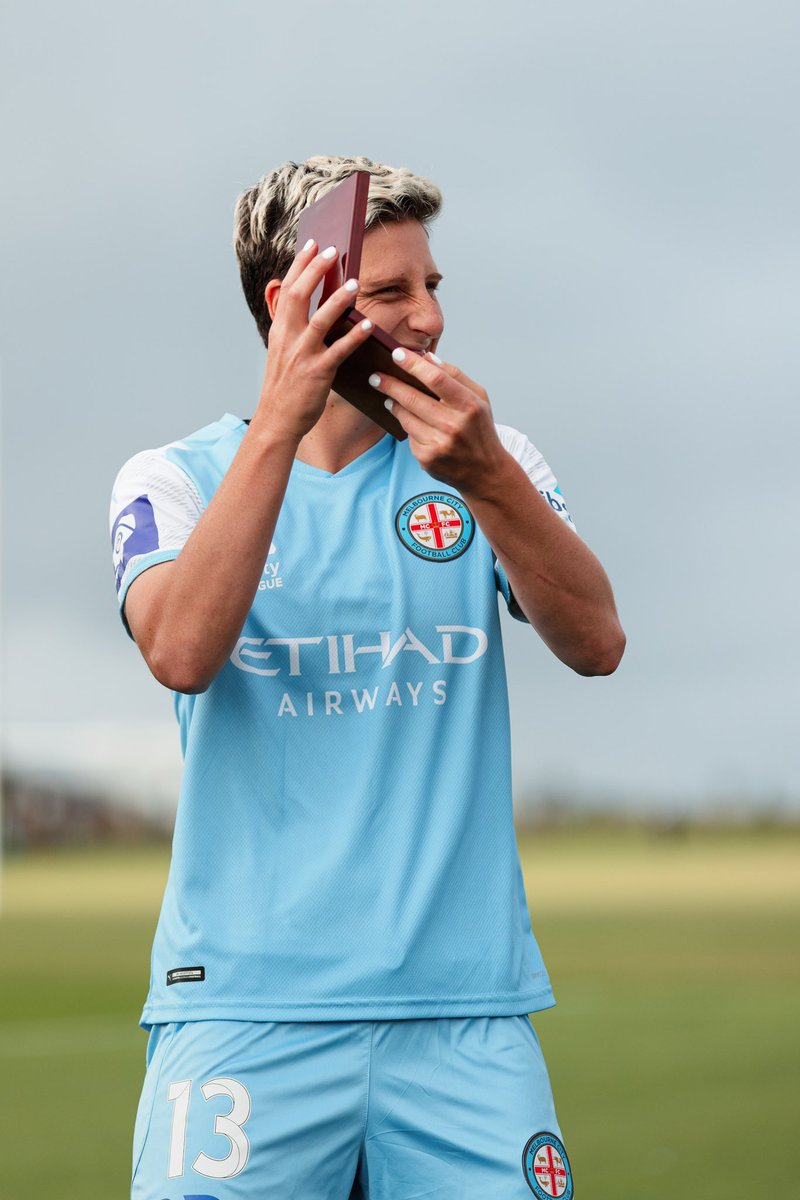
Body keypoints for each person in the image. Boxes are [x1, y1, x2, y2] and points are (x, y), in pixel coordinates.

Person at [110, 154, 625, 1200]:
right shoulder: (171, 477)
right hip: (245, 1015)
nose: (429, 319)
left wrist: (484, 478)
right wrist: (280, 423)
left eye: (432, 287)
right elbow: (181, 652)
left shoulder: (489, 458)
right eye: (392, 292)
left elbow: (594, 641)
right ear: (293, 301)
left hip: (462, 1016)